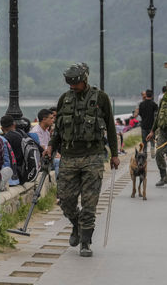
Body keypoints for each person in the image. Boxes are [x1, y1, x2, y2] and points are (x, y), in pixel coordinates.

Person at [43, 62, 119, 257]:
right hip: (68, 156)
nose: (72, 87)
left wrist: (115, 154)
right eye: (70, 84)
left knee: (89, 202)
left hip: (93, 156)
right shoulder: (64, 99)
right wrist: (51, 145)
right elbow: (58, 129)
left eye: (75, 84)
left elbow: (110, 127)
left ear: (84, 80)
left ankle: (85, 241)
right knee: (65, 200)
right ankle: (76, 224)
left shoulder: (100, 98)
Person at [135, 89, 158, 156]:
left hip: (144, 125)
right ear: (152, 95)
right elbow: (157, 114)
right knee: (152, 139)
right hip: (152, 126)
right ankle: (152, 150)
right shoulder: (154, 104)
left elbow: (140, 114)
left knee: (144, 141)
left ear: (146, 95)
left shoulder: (141, 104)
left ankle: (145, 153)